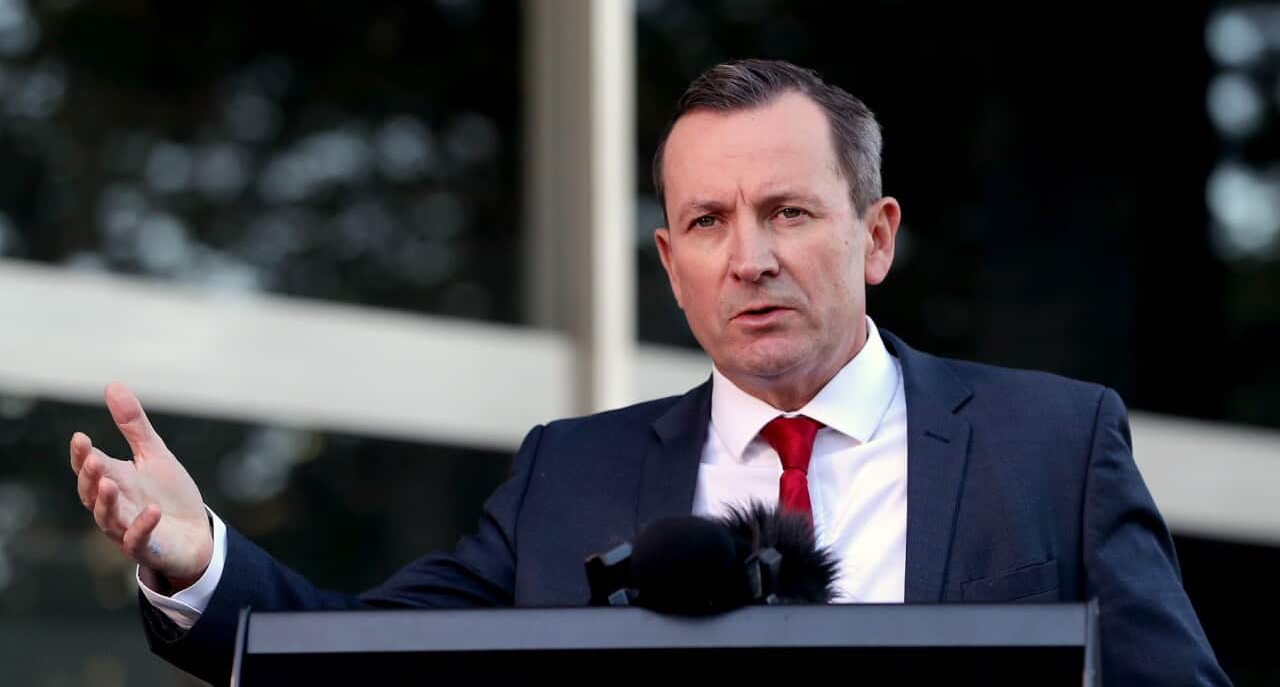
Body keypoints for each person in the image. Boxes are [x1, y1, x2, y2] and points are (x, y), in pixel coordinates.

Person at [69, 59, 1228, 685]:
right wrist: (199, 560)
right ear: (671, 266)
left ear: (874, 236)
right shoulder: (568, 476)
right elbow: (352, 662)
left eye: (787, 212)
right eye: (709, 223)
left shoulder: (1051, 444)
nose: (751, 258)